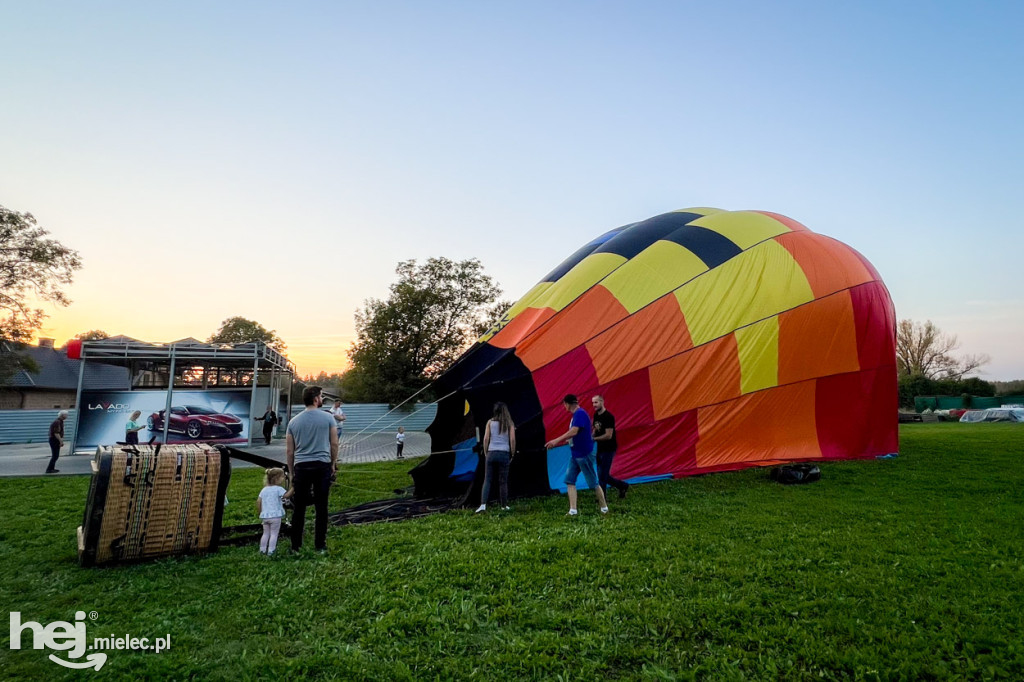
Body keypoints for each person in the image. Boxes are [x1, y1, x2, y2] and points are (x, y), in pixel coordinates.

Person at [286, 385, 338, 553]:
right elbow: (334, 443)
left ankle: (295, 546)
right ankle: (320, 545)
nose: (322, 399)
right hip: (322, 466)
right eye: (321, 396)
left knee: (299, 507)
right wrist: (332, 463)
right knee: (321, 507)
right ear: (316, 399)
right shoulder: (328, 418)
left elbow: (289, 451)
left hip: (301, 466)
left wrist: (292, 472)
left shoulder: (293, 422)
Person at [545, 394, 609, 516]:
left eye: (564, 404)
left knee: (593, 482)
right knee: (570, 480)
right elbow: (579, 432)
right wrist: (570, 440)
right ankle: (573, 510)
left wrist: (556, 440)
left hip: (584, 454)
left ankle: (604, 508)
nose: (564, 407)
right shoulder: (577, 415)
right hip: (575, 454)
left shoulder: (580, 414)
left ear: (568, 404)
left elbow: (574, 431)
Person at [475, 402, 516, 513]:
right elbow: (512, 440)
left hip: (491, 452)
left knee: (487, 479)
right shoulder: (509, 423)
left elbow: (486, 439)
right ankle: (503, 505)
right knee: (503, 481)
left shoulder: (490, 422)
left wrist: (485, 451)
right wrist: (512, 453)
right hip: (504, 453)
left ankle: (483, 505)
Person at [592, 395, 629, 499]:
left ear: (602, 402)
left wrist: (594, 439)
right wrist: (591, 437)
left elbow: (608, 435)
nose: (594, 405)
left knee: (603, 475)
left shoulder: (608, 417)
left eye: (596, 402)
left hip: (609, 449)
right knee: (601, 475)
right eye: (593, 403)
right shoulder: (596, 415)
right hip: (600, 448)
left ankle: (602, 498)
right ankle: (622, 486)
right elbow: (595, 429)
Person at [256, 467, 293, 555]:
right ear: (276, 478)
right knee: (274, 534)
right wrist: (293, 488)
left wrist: (260, 512)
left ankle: (262, 550)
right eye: (283, 477)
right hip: (275, 517)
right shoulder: (278, 489)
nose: (284, 479)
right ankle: (271, 551)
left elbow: (258, 502)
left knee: (265, 534)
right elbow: (287, 496)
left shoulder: (264, 490)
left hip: (265, 516)